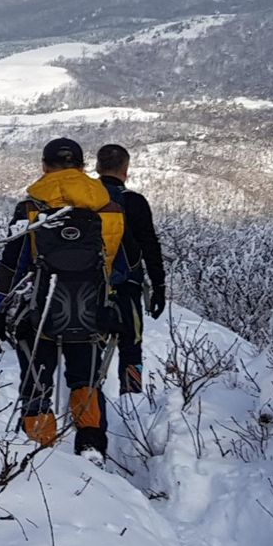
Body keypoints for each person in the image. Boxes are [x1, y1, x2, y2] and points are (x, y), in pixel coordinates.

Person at [0, 136, 125, 456]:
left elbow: (12, 264)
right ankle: (91, 448)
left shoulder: (30, 207)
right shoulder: (110, 207)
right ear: (82, 166)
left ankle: (40, 454)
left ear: (45, 167)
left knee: (36, 385)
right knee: (86, 383)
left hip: (39, 314)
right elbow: (114, 265)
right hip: (90, 313)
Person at [96, 142, 165, 396]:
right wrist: (159, 287)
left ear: (97, 167)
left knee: (91, 347)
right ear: (126, 170)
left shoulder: (85, 200)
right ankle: (131, 399)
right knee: (131, 344)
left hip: (89, 287)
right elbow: (150, 246)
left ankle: (88, 402)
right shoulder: (134, 202)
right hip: (128, 285)